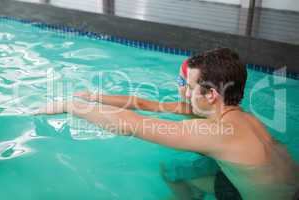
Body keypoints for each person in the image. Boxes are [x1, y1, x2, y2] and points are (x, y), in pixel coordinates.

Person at [37, 48, 299, 200]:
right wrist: (93, 97)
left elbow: (132, 125)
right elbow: (147, 105)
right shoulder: (241, 116)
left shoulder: (218, 132)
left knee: (171, 173)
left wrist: (70, 106)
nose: (183, 92)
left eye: (190, 86)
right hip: (283, 187)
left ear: (211, 95)